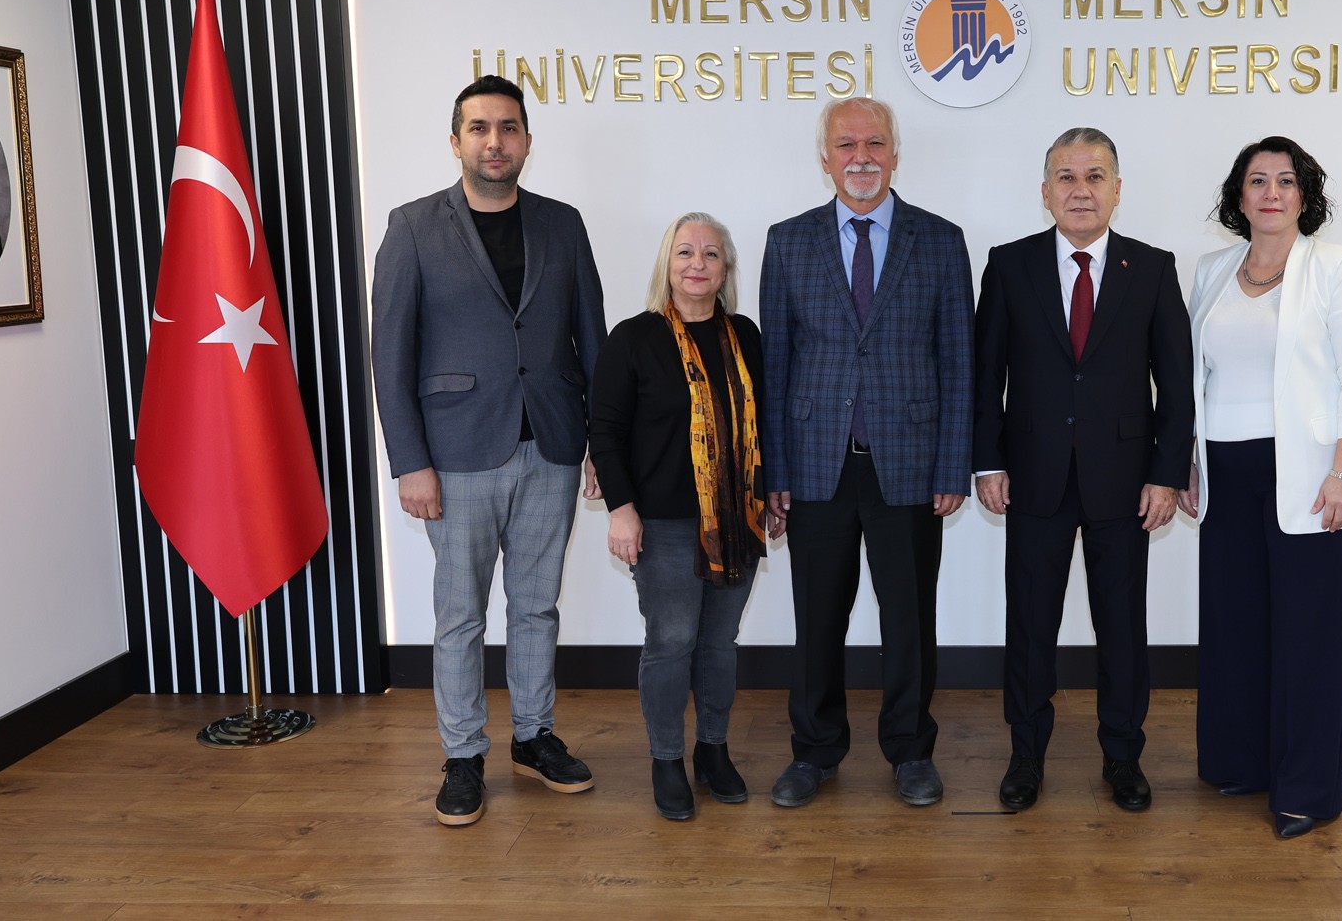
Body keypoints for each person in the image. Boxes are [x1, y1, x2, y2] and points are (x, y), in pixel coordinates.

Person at [371, 75, 607, 827]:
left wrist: (603, 443)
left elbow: (593, 339)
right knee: (460, 615)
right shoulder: (412, 227)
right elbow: (389, 355)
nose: (494, 142)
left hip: (553, 444)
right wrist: (410, 460)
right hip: (456, 453)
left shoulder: (563, 224)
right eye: (479, 128)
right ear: (456, 141)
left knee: (536, 606)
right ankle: (464, 753)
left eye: (508, 128)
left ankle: (533, 736)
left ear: (527, 141)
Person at [758, 97, 974, 808]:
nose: (861, 157)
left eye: (875, 143)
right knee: (817, 618)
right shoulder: (788, 241)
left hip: (909, 464)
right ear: (825, 158)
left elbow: (959, 361)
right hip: (814, 464)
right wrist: (774, 472)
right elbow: (775, 366)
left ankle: (910, 749)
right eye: (846, 144)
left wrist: (953, 464)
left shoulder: (939, 240)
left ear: (895, 154)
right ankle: (814, 750)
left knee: (908, 619)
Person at [973, 126, 1194, 813]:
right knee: (1029, 626)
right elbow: (986, 375)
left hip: (1127, 482)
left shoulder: (1152, 268)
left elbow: (1177, 382)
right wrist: (987, 460)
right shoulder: (1009, 265)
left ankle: (1123, 756)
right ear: (1045, 192)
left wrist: (1167, 472)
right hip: (1032, 474)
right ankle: (1026, 756)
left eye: (1094, 176)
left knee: (1122, 627)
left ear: (1117, 190)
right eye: (1066, 177)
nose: (1080, 190)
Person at [1178, 136, 1342, 840]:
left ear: (1304, 196)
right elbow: (1195, 377)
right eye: (1258, 180)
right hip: (1225, 472)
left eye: (1286, 181)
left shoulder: (1336, 266)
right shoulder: (1212, 269)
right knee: (1234, 626)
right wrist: (1190, 460)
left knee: (1309, 637)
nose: (1271, 193)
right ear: (1239, 196)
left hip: (1309, 476)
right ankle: (1242, 761)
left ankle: (1306, 790)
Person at [589, 212, 782, 821]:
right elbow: (605, 431)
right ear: (666, 265)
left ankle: (713, 751)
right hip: (664, 522)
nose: (697, 263)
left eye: (711, 254)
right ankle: (667, 759)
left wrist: (772, 492)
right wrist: (622, 511)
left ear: (725, 270)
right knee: (671, 642)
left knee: (719, 644)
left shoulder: (745, 336)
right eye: (685, 252)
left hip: (736, 519)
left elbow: (767, 422)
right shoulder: (633, 338)